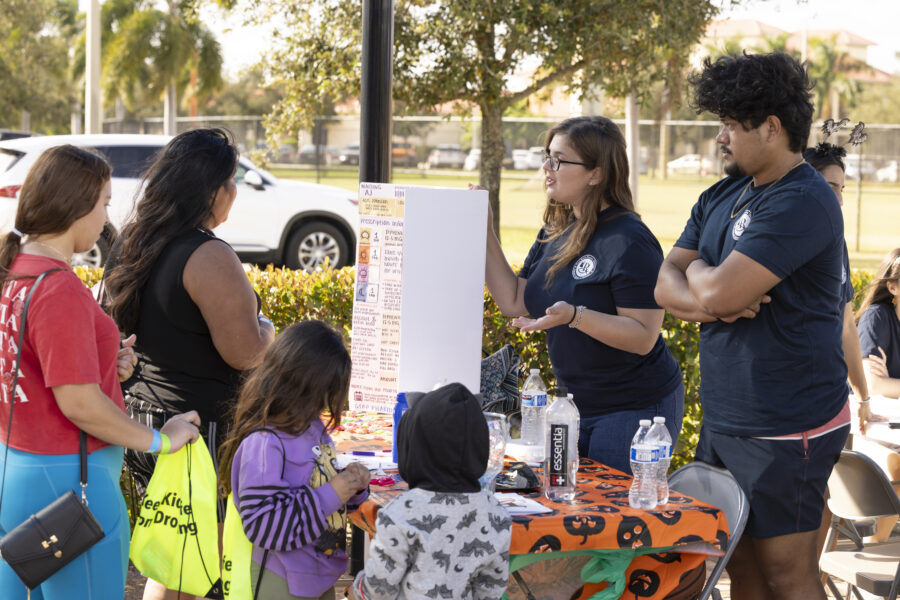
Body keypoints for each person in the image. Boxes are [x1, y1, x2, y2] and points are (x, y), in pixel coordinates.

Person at [654, 52, 848, 600]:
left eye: (732, 126)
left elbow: (708, 288)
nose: (721, 138)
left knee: (788, 574)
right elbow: (662, 284)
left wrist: (700, 280)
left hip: (789, 422)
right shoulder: (722, 193)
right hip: (728, 415)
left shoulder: (803, 198)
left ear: (771, 127)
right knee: (741, 569)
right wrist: (705, 288)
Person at [0, 145, 200, 600]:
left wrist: (103, 366)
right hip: (73, 486)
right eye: (105, 203)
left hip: (17, 473)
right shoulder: (58, 287)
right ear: (78, 204)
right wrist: (161, 440)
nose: (107, 217)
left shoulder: (14, 272)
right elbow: (80, 405)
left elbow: (27, 367)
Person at [104, 128, 275, 600]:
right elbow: (246, 352)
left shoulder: (133, 242)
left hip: (147, 422)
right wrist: (269, 329)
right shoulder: (208, 254)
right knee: (196, 566)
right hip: (200, 431)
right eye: (232, 181)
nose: (235, 192)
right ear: (212, 191)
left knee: (175, 561)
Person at [482, 115, 683, 474]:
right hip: (574, 406)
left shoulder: (629, 239)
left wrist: (575, 316)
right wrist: (482, 230)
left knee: (611, 517)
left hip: (632, 410)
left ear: (596, 173)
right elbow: (514, 299)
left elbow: (643, 337)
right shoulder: (557, 228)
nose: (547, 167)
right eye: (547, 156)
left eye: (559, 159)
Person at [218, 320, 370, 600]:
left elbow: (322, 488)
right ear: (301, 384)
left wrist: (353, 488)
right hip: (281, 580)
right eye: (326, 392)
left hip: (318, 573)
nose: (327, 403)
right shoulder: (264, 444)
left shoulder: (312, 428)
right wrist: (333, 492)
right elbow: (264, 526)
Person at [351, 382, 511, 600]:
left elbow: (380, 589)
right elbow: (492, 587)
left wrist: (358, 587)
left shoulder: (399, 514)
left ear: (412, 448)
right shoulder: (496, 515)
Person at [802, 142, 870, 425]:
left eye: (842, 189)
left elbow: (846, 326)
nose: (839, 201)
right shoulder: (770, 236)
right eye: (831, 188)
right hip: (783, 405)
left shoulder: (834, 242)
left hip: (826, 401)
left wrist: (863, 398)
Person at [852, 248, 900, 541]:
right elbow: (873, 386)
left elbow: (886, 384)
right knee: (896, 466)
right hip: (874, 429)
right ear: (892, 286)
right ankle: (876, 545)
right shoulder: (876, 318)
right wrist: (885, 384)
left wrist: (890, 383)